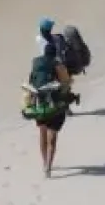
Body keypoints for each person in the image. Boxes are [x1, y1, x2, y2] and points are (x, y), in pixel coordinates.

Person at [24, 41, 74, 176]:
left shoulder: (36, 66)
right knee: (52, 137)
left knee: (42, 134)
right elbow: (67, 82)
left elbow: (30, 83)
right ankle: (48, 167)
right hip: (55, 106)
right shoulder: (58, 65)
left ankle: (44, 162)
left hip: (39, 105)